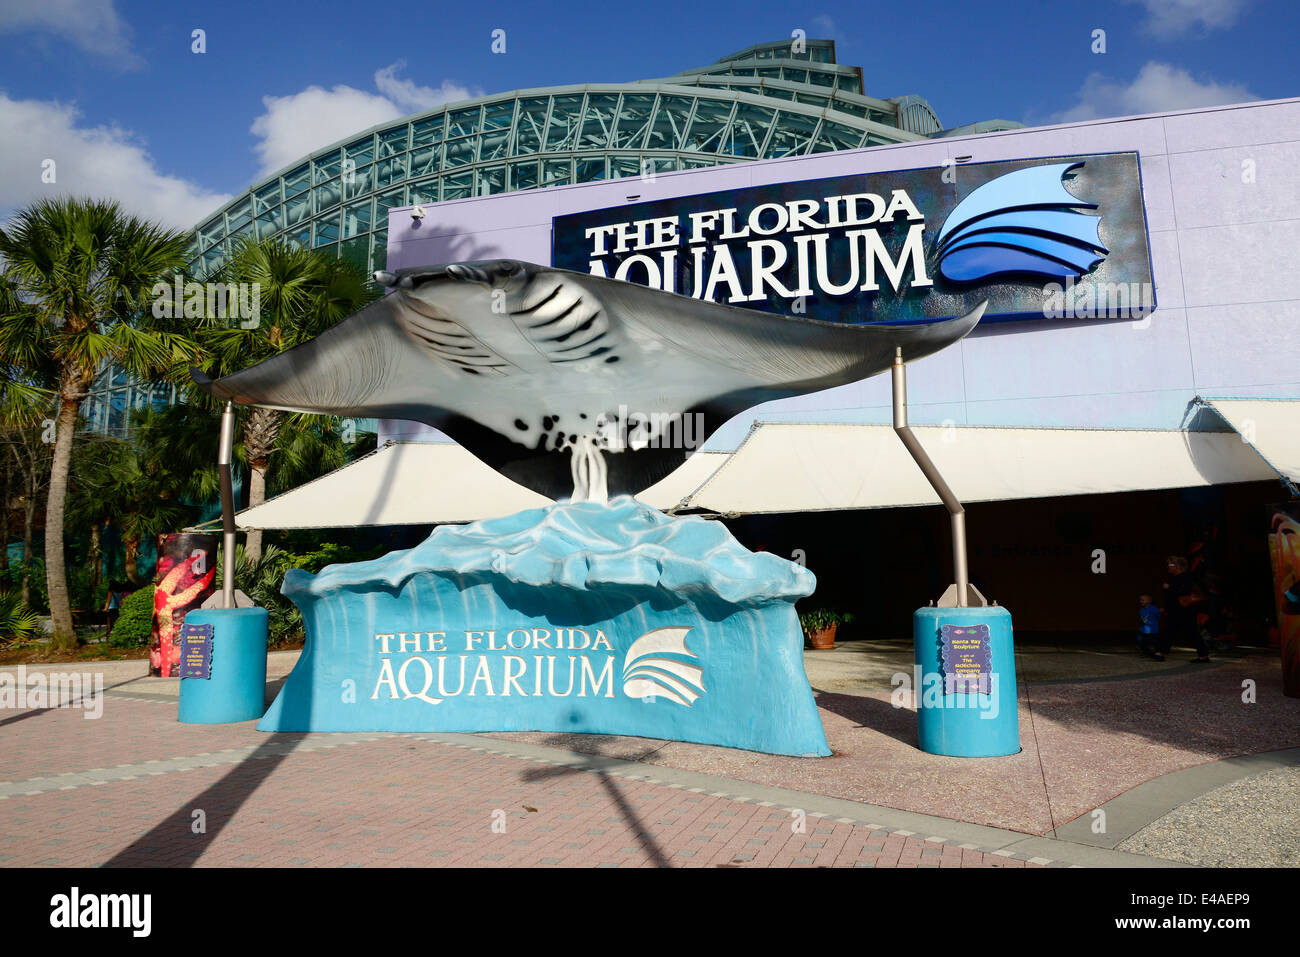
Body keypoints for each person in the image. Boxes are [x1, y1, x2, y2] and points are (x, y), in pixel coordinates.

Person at [1162, 556, 1210, 663]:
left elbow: (1184, 591)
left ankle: (1161, 652)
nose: (1168, 567)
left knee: (1182, 631)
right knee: (1174, 630)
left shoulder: (1183, 577)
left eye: (1170, 565)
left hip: (1183, 610)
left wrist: (1168, 588)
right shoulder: (1178, 578)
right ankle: (1161, 652)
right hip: (1180, 610)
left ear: (1178, 566)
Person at [1137, 594, 1163, 659]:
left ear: (1148, 601)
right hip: (1144, 628)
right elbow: (1141, 618)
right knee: (1143, 641)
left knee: (1154, 641)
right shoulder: (1141, 609)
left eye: (1143, 600)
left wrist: (1159, 612)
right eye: (1140, 600)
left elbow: (1159, 615)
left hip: (1153, 628)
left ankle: (1158, 652)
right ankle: (1145, 652)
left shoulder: (1153, 608)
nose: (1141, 601)